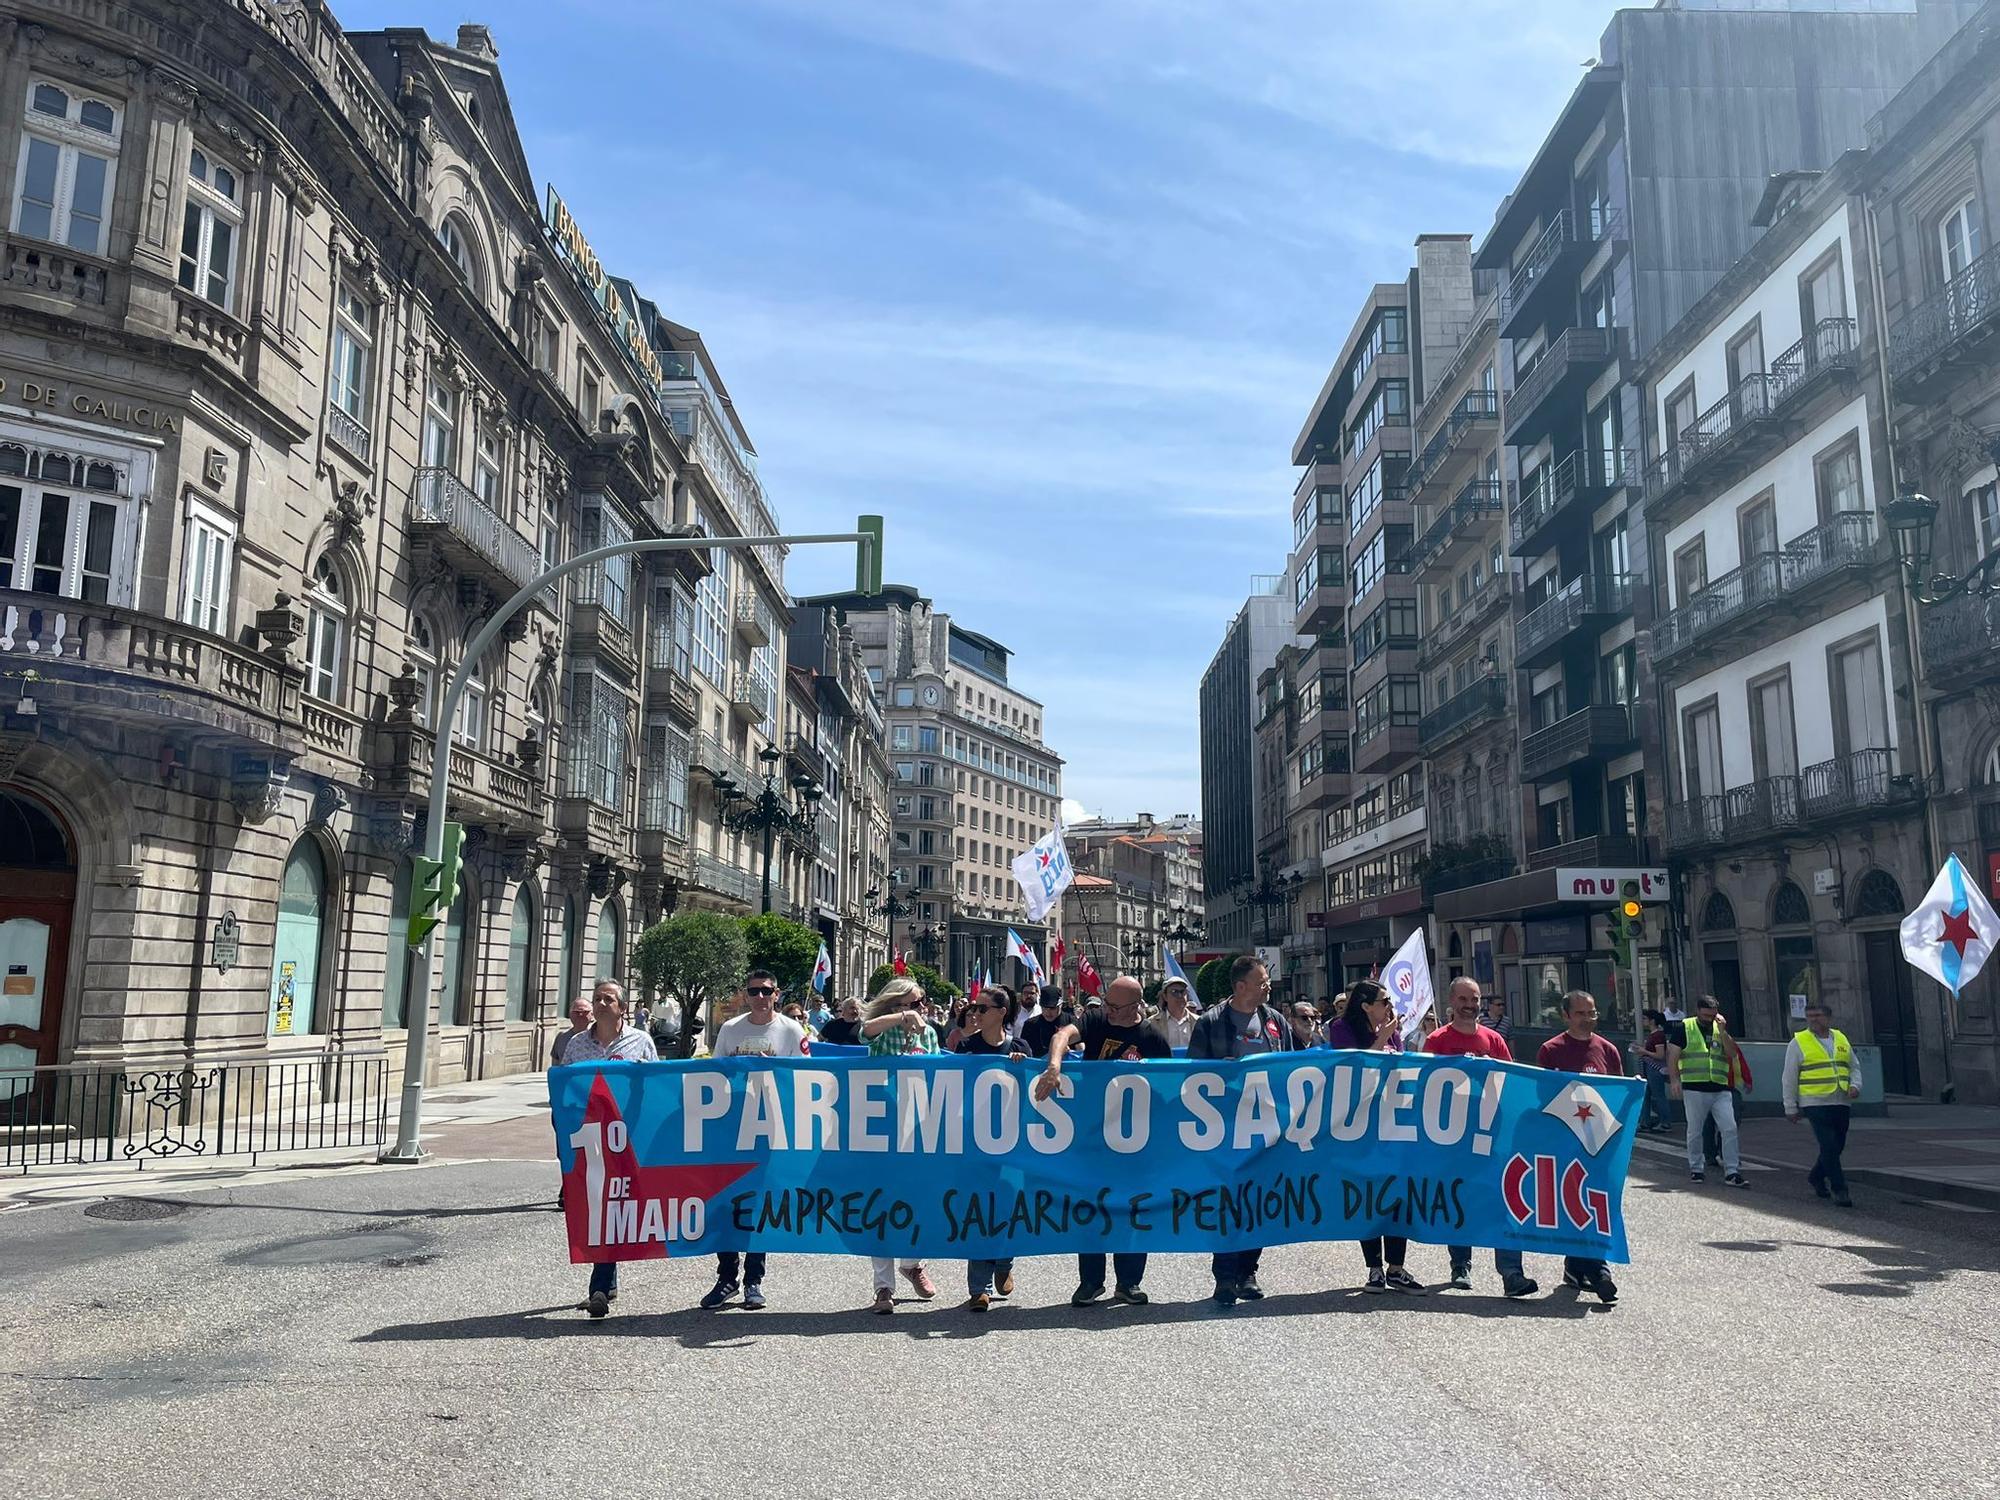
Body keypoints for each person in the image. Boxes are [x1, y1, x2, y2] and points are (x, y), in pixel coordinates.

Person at [1035, 975, 1173, 1307]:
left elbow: (1171, 1085)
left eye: (1116, 1006)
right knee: (1090, 1205)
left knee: (1133, 1207)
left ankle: (1129, 1282)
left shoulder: (1151, 1038)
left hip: (1135, 1139)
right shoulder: (1096, 1020)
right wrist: (1055, 1065)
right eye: (1107, 1003)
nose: (1108, 1011)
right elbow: (1064, 1034)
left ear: (1137, 1006)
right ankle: (1091, 1281)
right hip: (1092, 1132)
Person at [1187, 954, 1296, 1305]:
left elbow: (1293, 1067)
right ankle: (1224, 1275)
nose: (1267, 986)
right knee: (1227, 1200)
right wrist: (1222, 1072)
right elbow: (1192, 1074)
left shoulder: (1275, 1021)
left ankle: (1248, 1270)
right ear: (1240, 986)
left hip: (1267, 1126)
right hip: (1225, 1127)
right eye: (1261, 981)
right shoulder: (1211, 1022)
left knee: (1259, 1199)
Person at [701, 969, 808, 1312]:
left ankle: (753, 1280)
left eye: (766, 991)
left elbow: (807, 1077)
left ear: (777, 993)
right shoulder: (732, 1030)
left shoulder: (791, 1030)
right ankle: (727, 1276)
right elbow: (713, 1074)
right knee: (727, 1201)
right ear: (745, 995)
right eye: (754, 991)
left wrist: (774, 1068)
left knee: (758, 1205)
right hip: (732, 1127)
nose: (760, 997)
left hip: (769, 1129)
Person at [1423, 977, 1537, 1298]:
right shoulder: (1436, 1041)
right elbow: (1425, 1087)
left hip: (1493, 1136)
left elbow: (1512, 1083)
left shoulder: (1494, 1040)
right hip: (1453, 1138)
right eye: (1463, 999)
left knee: (1505, 1199)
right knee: (1460, 1200)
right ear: (1451, 1000)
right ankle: (1461, 1264)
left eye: (1475, 1000)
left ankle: (1512, 1274)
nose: (1470, 1005)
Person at [561, 980, 658, 1319]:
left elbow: (657, 1086)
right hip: (590, 1138)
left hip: (626, 1136)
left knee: (617, 1202)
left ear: (622, 1007)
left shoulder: (640, 1042)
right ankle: (603, 1282)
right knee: (599, 1204)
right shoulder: (576, 1044)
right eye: (597, 998)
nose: (600, 1003)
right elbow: (565, 1088)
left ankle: (603, 1282)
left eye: (608, 999)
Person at [1324, 979, 1425, 1294]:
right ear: (1366, 1005)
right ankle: (1374, 1268)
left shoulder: (1392, 1030)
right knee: (1369, 1195)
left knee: (1398, 1194)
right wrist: (1381, 1038)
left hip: (1394, 1122)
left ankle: (1396, 1267)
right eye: (1383, 1000)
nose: (1389, 1006)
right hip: (1360, 1125)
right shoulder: (1342, 1029)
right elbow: (1354, 1069)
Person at [858, 977, 940, 1311]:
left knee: (917, 1199)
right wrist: (901, 1018)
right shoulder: (884, 1029)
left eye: (922, 1002)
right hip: (880, 1128)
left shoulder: (930, 1034)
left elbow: (939, 1074)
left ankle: (912, 1263)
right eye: (916, 1002)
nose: (923, 1008)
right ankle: (883, 1287)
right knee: (882, 1204)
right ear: (898, 1004)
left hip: (917, 1128)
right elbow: (866, 1030)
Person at [1536, 990, 1623, 1305]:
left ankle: (1576, 1268)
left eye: (1592, 1013)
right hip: (1566, 1144)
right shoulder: (1551, 1050)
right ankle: (1600, 1272)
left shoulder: (1608, 1050)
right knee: (1574, 1207)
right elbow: (1542, 1095)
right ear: (1566, 1016)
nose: (1588, 1019)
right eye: (1581, 1013)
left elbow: (1617, 1092)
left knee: (1596, 1207)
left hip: (1599, 1146)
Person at [954, 989, 1029, 1309]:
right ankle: (979, 1288)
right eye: (974, 1007)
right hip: (977, 1142)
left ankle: (1004, 1263)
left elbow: (1037, 1090)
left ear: (1001, 1012)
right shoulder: (968, 1048)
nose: (976, 1012)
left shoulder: (1020, 1047)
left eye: (982, 1008)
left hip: (1012, 1143)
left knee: (1008, 1207)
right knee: (980, 1210)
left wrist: (1023, 1068)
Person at [1784, 1000, 1863, 1207]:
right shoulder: (1798, 1042)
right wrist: (1790, 1106)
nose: (1813, 1020)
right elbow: (1789, 1076)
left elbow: (1853, 1066)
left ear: (1828, 1018)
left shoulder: (1840, 1038)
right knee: (1828, 1144)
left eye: (1818, 1016)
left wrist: (1856, 1085)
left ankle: (1816, 1176)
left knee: (1837, 1145)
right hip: (1814, 1101)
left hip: (1841, 1100)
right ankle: (1840, 1189)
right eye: (1810, 1016)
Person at [1668, 994, 1749, 1187]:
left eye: (1712, 1016)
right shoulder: (1684, 1027)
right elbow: (1673, 1055)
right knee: (1695, 1130)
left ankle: (1732, 1171)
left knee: (1729, 1128)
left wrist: (1722, 1031)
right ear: (1697, 1011)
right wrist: (1674, 1080)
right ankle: (1696, 1168)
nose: (1708, 1019)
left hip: (1720, 1087)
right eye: (1705, 1015)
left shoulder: (1719, 1027)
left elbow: (1731, 1053)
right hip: (1694, 1087)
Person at [548, 995, 594, 1209]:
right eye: (576, 1011)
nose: (580, 1015)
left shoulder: (596, 1038)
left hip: (591, 1104)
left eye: (584, 1011)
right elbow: (556, 1068)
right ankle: (568, 1186)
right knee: (565, 1148)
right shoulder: (562, 1038)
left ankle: (576, 1189)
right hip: (566, 1104)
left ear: (591, 1014)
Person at [1633, 1008, 1670, 1133]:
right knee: (1646, 1094)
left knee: (1658, 1095)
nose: (1643, 1021)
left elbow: (1660, 1055)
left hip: (1654, 1068)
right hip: (1649, 1068)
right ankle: (1645, 1122)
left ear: (1652, 1021)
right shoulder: (1653, 1035)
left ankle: (1665, 1122)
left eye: (1645, 1019)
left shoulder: (1658, 1035)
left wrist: (1644, 1051)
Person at [1020, 986, 1068, 1058]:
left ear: (1060, 1005)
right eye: (1044, 1008)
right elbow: (1023, 1050)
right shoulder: (1030, 1025)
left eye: (1052, 1008)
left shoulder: (1072, 1023)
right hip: (1036, 1067)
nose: (1048, 1013)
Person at [1158, 974, 1198, 1049]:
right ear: (1165, 996)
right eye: (1174, 992)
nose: (1180, 996)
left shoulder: (1199, 1022)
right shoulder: (1153, 1023)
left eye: (1182, 992)